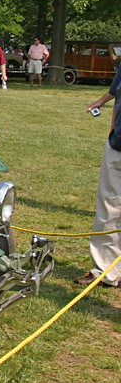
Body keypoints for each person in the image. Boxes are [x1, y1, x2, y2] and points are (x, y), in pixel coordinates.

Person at [76, 71, 121, 288]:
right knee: (109, 209)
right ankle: (106, 271)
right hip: (118, 146)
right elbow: (117, 94)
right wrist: (113, 131)